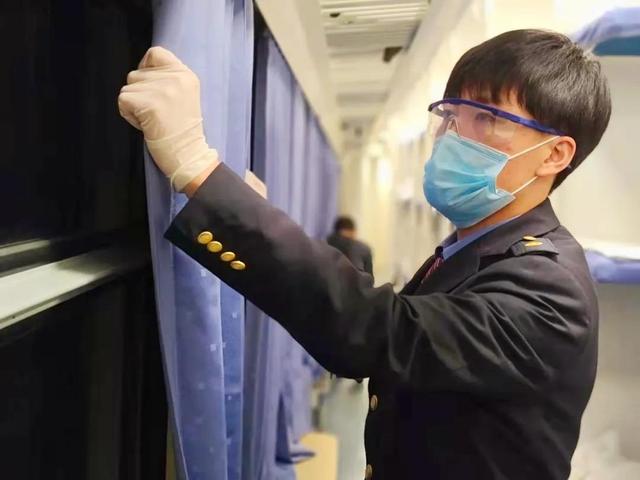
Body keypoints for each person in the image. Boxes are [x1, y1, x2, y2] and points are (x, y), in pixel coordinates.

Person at [118, 29, 610, 479]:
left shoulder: (550, 288)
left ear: (555, 154)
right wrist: (248, 215)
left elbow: (379, 330)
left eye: (487, 118)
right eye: (452, 115)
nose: (455, 136)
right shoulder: (473, 248)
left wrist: (200, 171)